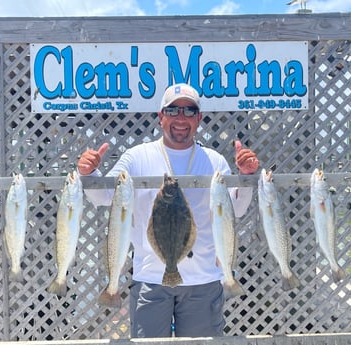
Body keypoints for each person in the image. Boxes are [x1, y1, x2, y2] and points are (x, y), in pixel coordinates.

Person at [78, 83, 259, 338]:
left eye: (189, 111)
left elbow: (236, 209)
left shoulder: (215, 160)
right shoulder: (136, 157)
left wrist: (245, 177)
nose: (181, 118)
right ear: (161, 116)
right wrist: (89, 173)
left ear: (199, 118)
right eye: (173, 111)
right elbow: (104, 197)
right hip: (150, 279)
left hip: (203, 280)